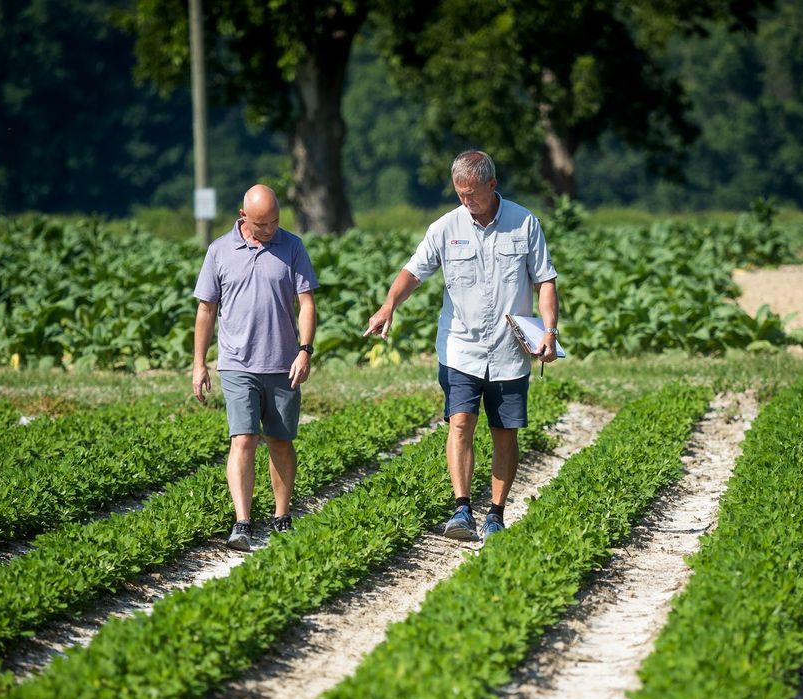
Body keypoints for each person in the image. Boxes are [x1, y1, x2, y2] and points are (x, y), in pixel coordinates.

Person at [365, 149, 559, 542]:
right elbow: (413, 271)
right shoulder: (445, 227)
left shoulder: (524, 224)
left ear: (493, 184)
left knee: (505, 432)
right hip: (460, 348)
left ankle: (497, 514)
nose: (466, 201)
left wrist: (550, 332)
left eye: (473, 193)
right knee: (460, 423)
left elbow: (545, 281)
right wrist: (388, 305)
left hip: (509, 351)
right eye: (459, 193)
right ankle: (461, 509)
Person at [192, 184, 318, 551]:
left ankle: (281, 517)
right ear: (243, 216)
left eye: (276, 221)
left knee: (280, 441)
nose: (270, 230)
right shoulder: (219, 251)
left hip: (282, 363)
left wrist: (305, 350)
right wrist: (199, 363)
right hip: (236, 364)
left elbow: (306, 303)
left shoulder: (292, 246)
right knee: (243, 439)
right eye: (263, 225)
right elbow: (206, 310)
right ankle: (243, 522)